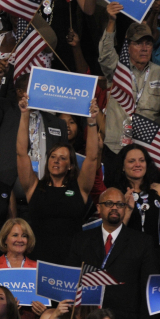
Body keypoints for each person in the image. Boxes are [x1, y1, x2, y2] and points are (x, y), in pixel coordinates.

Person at [67, 188, 159, 319]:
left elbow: (149, 287)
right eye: (109, 203)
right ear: (99, 208)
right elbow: (72, 281)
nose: (114, 208)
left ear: (125, 209)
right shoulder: (81, 240)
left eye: (119, 204)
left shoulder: (142, 242)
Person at [17, 99, 101, 265]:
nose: (56, 161)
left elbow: (92, 157)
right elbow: (21, 153)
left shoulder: (80, 188)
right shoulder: (34, 186)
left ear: (70, 165)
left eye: (62, 158)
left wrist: (91, 122)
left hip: (72, 262)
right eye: (53, 157)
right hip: (37, 261)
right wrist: (24, 115)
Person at [98, 11, 160, 167]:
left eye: (148, 43)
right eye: (138, 43)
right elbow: (105, 54)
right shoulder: (118, 69)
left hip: (148, 149)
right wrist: (112, 21)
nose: (144, 48)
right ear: (128, 46)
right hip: (116, 147)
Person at [108, 144, 160, 241]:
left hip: (154, 251)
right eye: (132, 161)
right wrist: (127, 208)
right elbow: (113, 234)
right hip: (126, 251)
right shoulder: (115, 193)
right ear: (122, 167)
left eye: (142, 160)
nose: (138, 164)